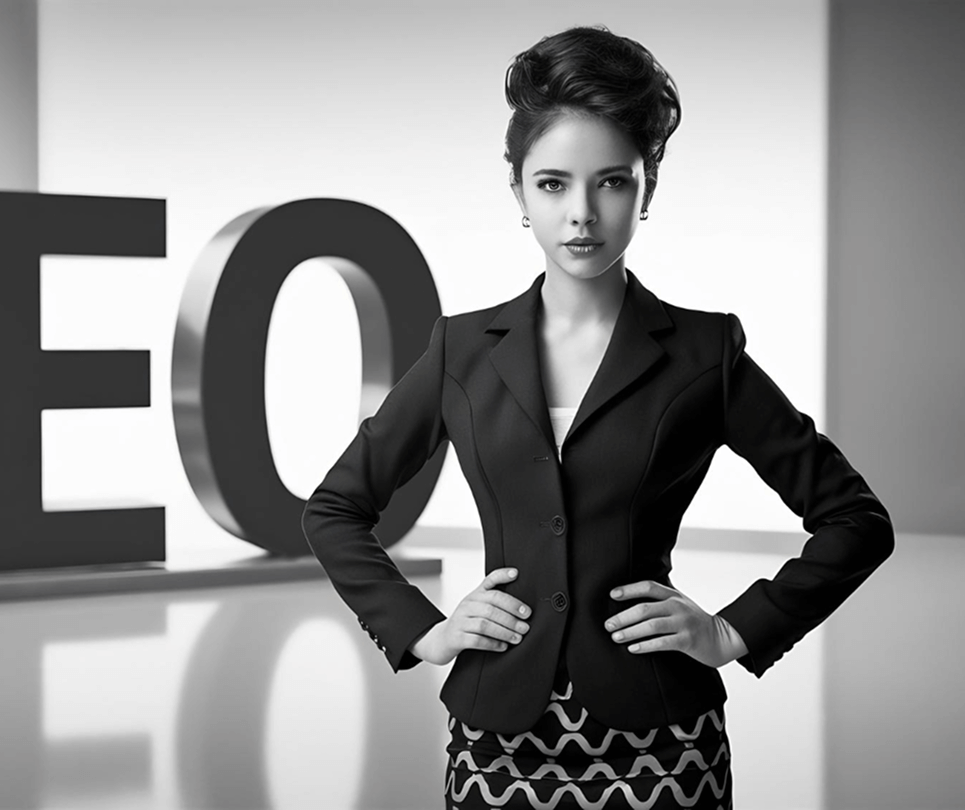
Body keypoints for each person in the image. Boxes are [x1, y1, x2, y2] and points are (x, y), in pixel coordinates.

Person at [302, 24, 894, 810]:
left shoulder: (702, 352)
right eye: (552, 185)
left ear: (648, 189)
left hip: (664, 741)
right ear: (517, 192)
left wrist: (732, 631)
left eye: (612, 182)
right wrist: (424, 631)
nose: (582, 214)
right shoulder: (461, 350)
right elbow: (336, 508)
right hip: (498, 736)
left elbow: (856, 520)